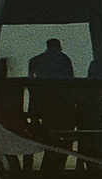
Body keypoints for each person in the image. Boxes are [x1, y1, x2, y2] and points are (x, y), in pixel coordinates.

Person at [27, 38, 74, 171]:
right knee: (61, 138)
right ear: (59, 46)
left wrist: (33, 106)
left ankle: (44, 168)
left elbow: (31, 85)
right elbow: (70, 83)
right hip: (62, 105)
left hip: (43, 105)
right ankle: (55, 168)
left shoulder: (35, 60)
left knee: (48, 136)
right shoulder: (64, 60)